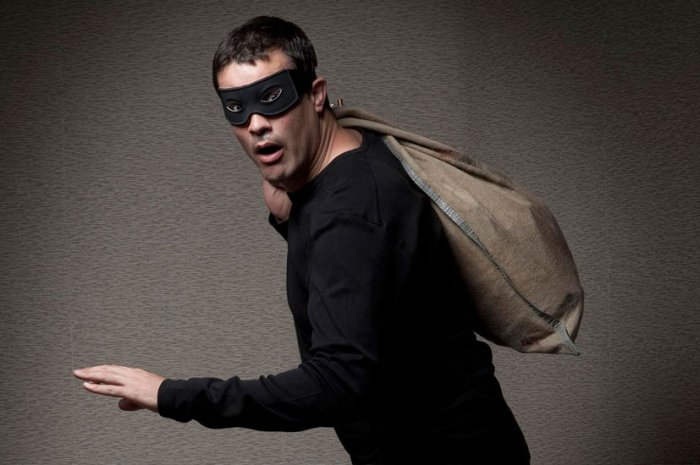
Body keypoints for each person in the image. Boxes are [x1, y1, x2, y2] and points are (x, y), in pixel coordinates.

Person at [73, 16, 530, 464]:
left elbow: (335, 381)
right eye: (236, 108)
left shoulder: (348, 213)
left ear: (316, 94)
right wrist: (293, 215)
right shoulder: (350, 163)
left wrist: (170, 394)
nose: (255, 123)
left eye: (272, 98)